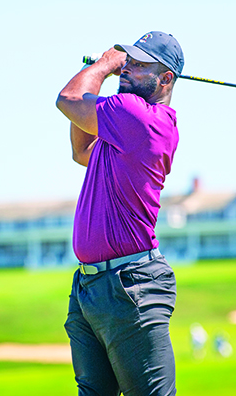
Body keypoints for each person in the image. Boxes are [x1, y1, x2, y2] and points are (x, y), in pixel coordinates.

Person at [56, 31, 184, 396]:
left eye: (139, 65)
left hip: (131, 285)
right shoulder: (124, 127)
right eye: (128, 60)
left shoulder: (140, 120)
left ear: (165, 79)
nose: (127, 67)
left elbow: (68, 99)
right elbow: (81, 149)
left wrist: (105, 65)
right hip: (91, 288)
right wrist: (106, 78)